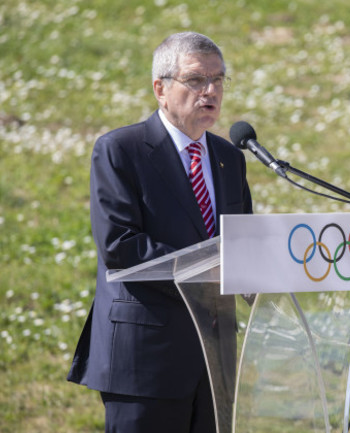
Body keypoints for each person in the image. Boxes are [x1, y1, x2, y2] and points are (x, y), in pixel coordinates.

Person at [67, 32, 253, 433]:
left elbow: (244, 245)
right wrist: (210, 270)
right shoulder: (121, 150)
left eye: (219, 80)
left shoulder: (230, 158)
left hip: (214, 361)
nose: (211, 91)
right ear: (161, 89)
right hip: (145, 361)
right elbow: (120, 245)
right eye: (196, 80)